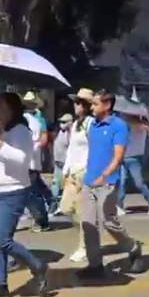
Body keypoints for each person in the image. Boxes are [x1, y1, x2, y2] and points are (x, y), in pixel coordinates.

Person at [0, 93, 49, 297]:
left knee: (2, 240)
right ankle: (1, 284)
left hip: (11, 192)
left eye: (3, 107)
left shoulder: (21, 131)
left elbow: (21, 159)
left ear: (13, 109)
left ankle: (37, 266)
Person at [76, 89, 146, 279]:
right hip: (89, 180)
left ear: (107, 105)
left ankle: (133, 247)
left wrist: (105, 175)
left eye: (95, 104)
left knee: (108, 222)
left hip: (108, 182)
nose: (92, 107)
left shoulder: (118, 126)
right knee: (88, 223)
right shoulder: (93, 125)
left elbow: (118, 156)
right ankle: (95, 265)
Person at [61, 88, 94, 263]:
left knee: (82, 213)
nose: (77, 106)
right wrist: (65, 171)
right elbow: (71, 149)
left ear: (88, 106)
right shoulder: (75, 124)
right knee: (67, 208)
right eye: (76, 102)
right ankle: (85, 241)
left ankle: (84, 246)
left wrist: (87, 172)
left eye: (80, 103)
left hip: (84, 173)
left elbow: (93, 149)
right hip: (72, 172)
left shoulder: (90, 124)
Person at [117, 115, 149, 216]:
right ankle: (119, 205)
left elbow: (145, 129)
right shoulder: (123, 126)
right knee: (121, 182)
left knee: (139, 183)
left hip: (135, 158)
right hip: (122, 157)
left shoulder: (141, 126)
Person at [21, 91, 51, 232]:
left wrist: (35, 146)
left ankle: (41, 220)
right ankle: (40, 216)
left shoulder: (37, 119)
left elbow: (44, 138)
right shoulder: (23, 118)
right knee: (32, 190)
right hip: (24, 161)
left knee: (32, 192)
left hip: (31, 160)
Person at [51, 113, 73, 212]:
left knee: (65, 187)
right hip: (57, 163)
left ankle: (63, 207)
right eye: (61, 122)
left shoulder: (71, 134)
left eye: (64, 122)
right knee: (55, 186)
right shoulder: (59, 132)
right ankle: (54, 205)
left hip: (66, 164)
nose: (61, 124)